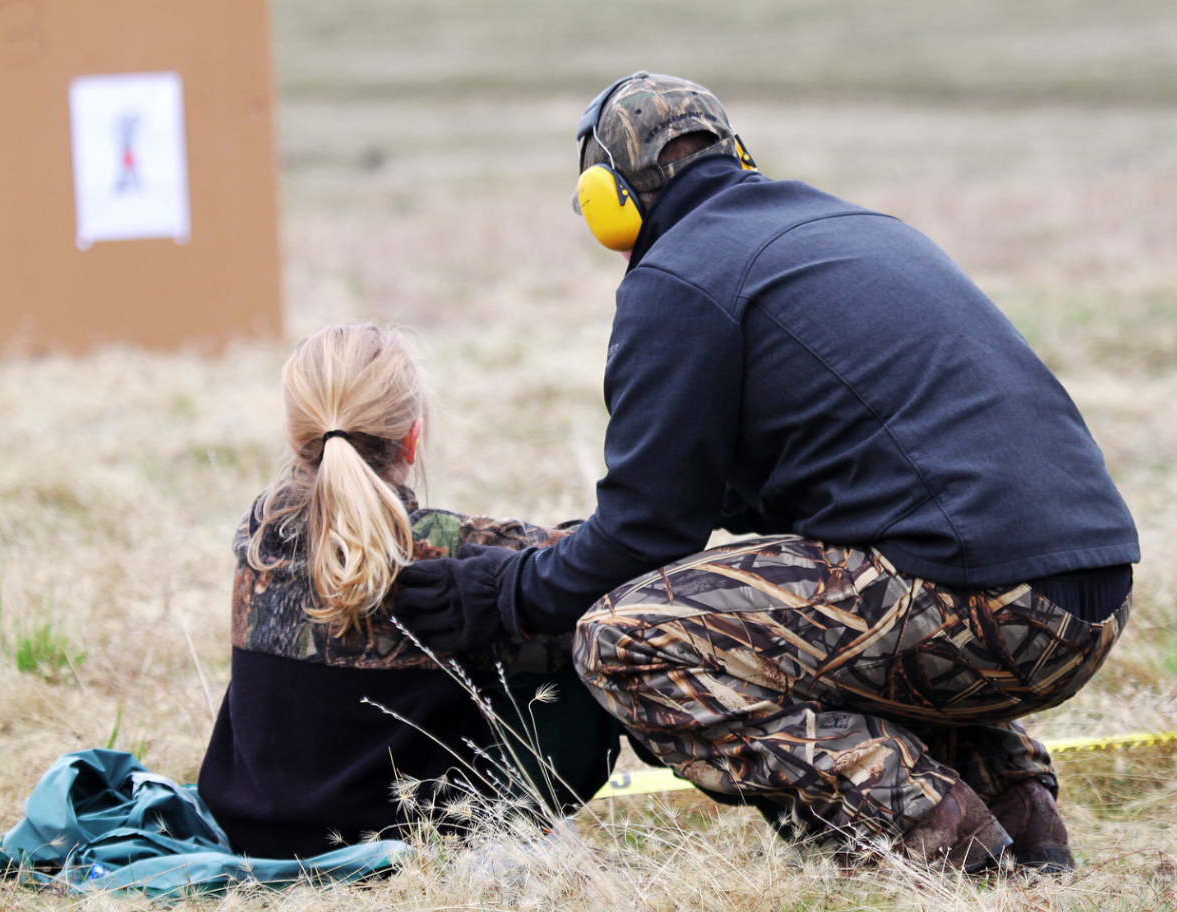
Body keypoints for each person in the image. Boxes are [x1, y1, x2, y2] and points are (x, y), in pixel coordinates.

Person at [391, 73, 1139, 873]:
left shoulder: (678, 278)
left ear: (608, 197)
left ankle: (939, 832)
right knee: (782, 618)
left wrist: (499, 594)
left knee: (630, 638)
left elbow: (646, 533)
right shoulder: (842, 227)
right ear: (735, 155)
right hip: (1088, 598)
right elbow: (744, 497)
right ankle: (1017, 814)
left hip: (981, 597)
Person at [198, 324, 620, 859]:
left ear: (293, 435)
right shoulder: (454, 547)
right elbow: (597, 564)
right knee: (578, 620)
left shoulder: (257, 532)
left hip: (254, 831)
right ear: (412, 438)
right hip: (417, 837)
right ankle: (515, 824)